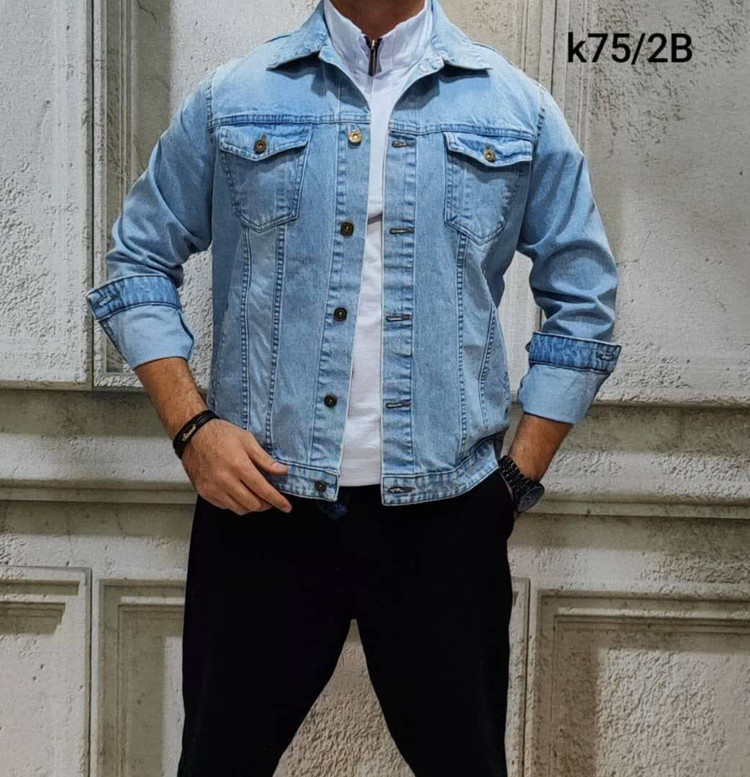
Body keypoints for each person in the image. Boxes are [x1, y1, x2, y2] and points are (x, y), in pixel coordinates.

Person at [86, 0, 622, 773]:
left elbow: (584, 298)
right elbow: (138, 258)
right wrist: (192, 428)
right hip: (261, 510)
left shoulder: (517, 110)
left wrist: (514, 480)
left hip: (448, 519)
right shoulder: (233, 97)